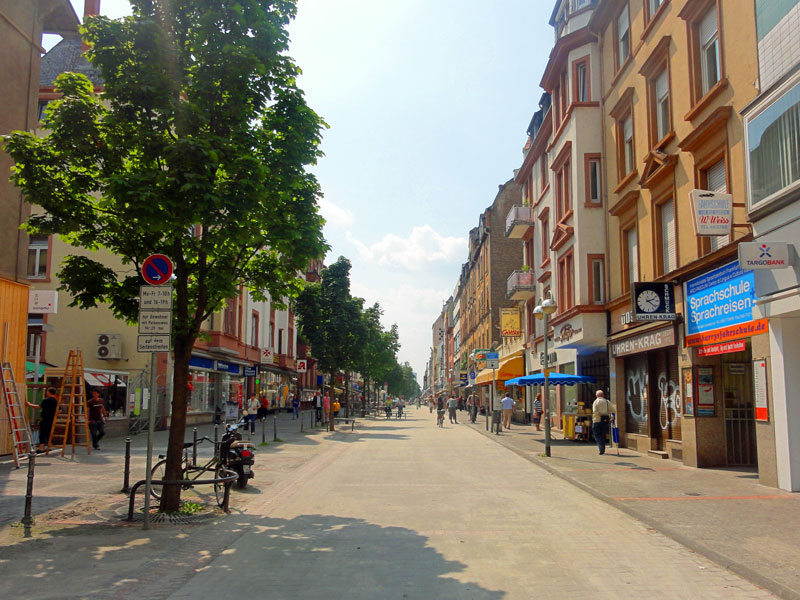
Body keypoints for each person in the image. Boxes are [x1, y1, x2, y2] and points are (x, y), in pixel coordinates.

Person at [26, 387, 59, 452]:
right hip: (52, 419)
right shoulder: (56, 401)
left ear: (49, 392)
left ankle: (41, 448)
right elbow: (59, 410)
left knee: (42, 433)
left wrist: (29, 404)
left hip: (45, 419)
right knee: (49, 433)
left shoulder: (46, 400)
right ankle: (49, 447)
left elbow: (38, 407)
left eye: (47, 391)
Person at [592, 390, 612, 455]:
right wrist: (610, 417)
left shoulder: (596, 402)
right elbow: (613, 410)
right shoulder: (607, 402)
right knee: (603, 435)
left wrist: (599, 414)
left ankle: (601, 448)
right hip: (605, 420)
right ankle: (603, 447)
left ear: (596, 395)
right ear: (603, 395)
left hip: (596, 420)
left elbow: (594, 411)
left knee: (597, 435)